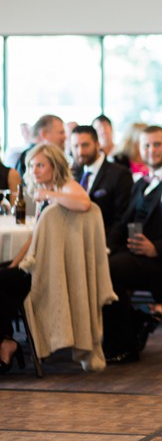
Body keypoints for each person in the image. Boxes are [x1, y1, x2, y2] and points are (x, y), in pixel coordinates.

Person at [0, 144, 98, 370]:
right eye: (32, 166)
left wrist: (51, 194)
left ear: (55, 166)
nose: (34, 171)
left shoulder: (65, 187)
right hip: (36, 262)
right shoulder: (44, 194)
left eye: (41, 165)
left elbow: (84, 203)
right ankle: (5, 340)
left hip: (53, 270)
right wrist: (14, 265)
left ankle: (6, 343)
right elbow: (33, 239)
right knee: (4, 276)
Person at [102, 126, 162, 364]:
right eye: (146, 146)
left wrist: (156, 248)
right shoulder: (140, 183)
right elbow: (123, 222)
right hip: (135, 257)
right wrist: (105, 247)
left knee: (109, 270)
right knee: (100, 264)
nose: (151, 150)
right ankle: (133, 325)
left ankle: (124, 344)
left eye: (157, 144)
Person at [70, 124, 134, 222]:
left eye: (85, 145)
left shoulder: (120, 174)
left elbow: (123, 217)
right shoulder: (72, 174)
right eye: (75, 146)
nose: (80, 152)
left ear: (97, 144)